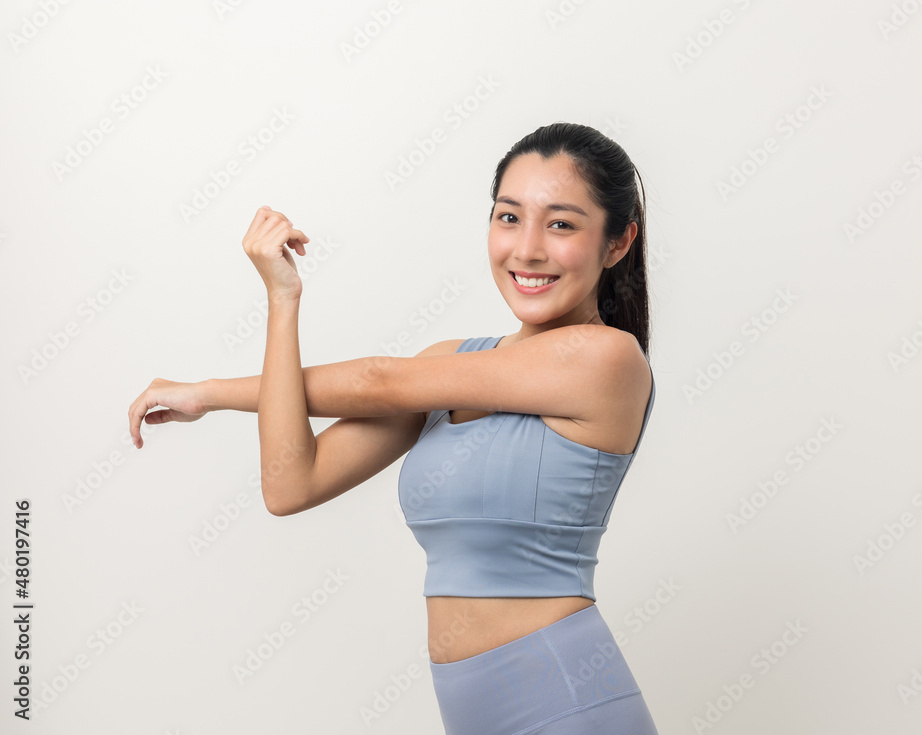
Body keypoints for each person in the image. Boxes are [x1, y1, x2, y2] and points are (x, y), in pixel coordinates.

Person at [127, 121, 660, 734]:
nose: (528, 248)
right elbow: (290, 484)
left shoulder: (608, 360)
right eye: (509, 217)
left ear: (618, 242)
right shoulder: (450, 364)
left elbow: (378, 380)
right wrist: (282, 300)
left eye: (561, 223)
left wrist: (211, 393)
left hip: (568, 704)